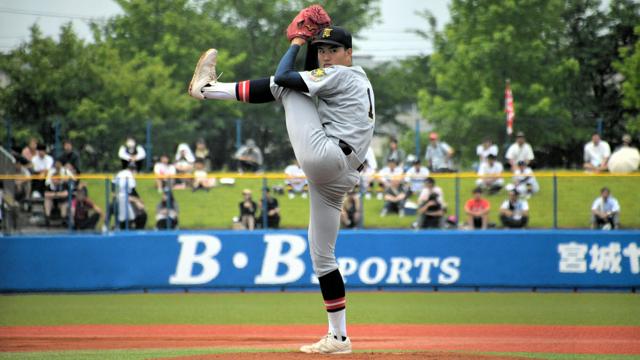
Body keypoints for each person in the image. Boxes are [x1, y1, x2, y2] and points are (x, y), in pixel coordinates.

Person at [188, 9, 371, 352]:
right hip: (341, 174)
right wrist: (305, 49)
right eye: (320, 50)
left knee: (287, 89)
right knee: (323, 258)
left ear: (349, 53)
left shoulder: (344, 76)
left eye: (333, 50)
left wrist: (299, 40)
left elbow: (284, 76)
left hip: (329, 157)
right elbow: (294, 76)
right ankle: (339, 337)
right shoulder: (351, 79)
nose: (326, 56)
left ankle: (206, 90)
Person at [44, 159, 74, 224]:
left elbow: (65, 194)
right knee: (47, 201)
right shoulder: (50, 185)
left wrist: (54, 194)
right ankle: (47, 218)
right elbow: (46, 194)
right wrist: (57, 194)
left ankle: (63, 219)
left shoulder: (63, 184)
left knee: (64, 204)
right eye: (54, 179)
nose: (55, 180)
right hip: (53, 201)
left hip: (61, 201)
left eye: (57, 179)